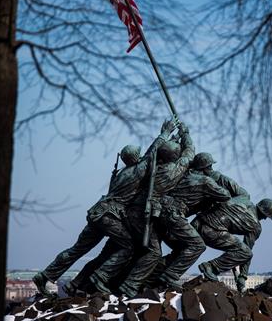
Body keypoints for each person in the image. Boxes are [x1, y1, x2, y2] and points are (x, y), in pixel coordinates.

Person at [33, 119, 176, 297]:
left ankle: (45, 275)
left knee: (77, 249)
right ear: (135, 158)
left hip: (97, 212)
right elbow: (152, 154)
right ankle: (100, 278)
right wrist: (165, 133)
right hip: (109, 216)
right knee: (128, 246)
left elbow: (149, 156)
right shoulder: (136, 171)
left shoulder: (121, 174)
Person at [117, 122, 195, 297]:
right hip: (143, 214)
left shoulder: (148, 167)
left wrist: (166, 135)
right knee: (153, 252)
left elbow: (150, 153)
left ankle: (130, 283)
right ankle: (129, 286)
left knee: (146, 250)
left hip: (133, 212)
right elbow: (190, 152)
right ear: (175, 157)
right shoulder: (174, 169)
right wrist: (186, 134)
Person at [192, 192, 272, 293]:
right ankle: (211, 267)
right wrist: (243, 276)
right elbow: (247, 250)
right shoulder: (255, 226)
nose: (265, 219)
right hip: (210, 231)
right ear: (264, 213)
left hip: (197, 222)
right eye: (266, 216)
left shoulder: (243, 198)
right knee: (245, 253)